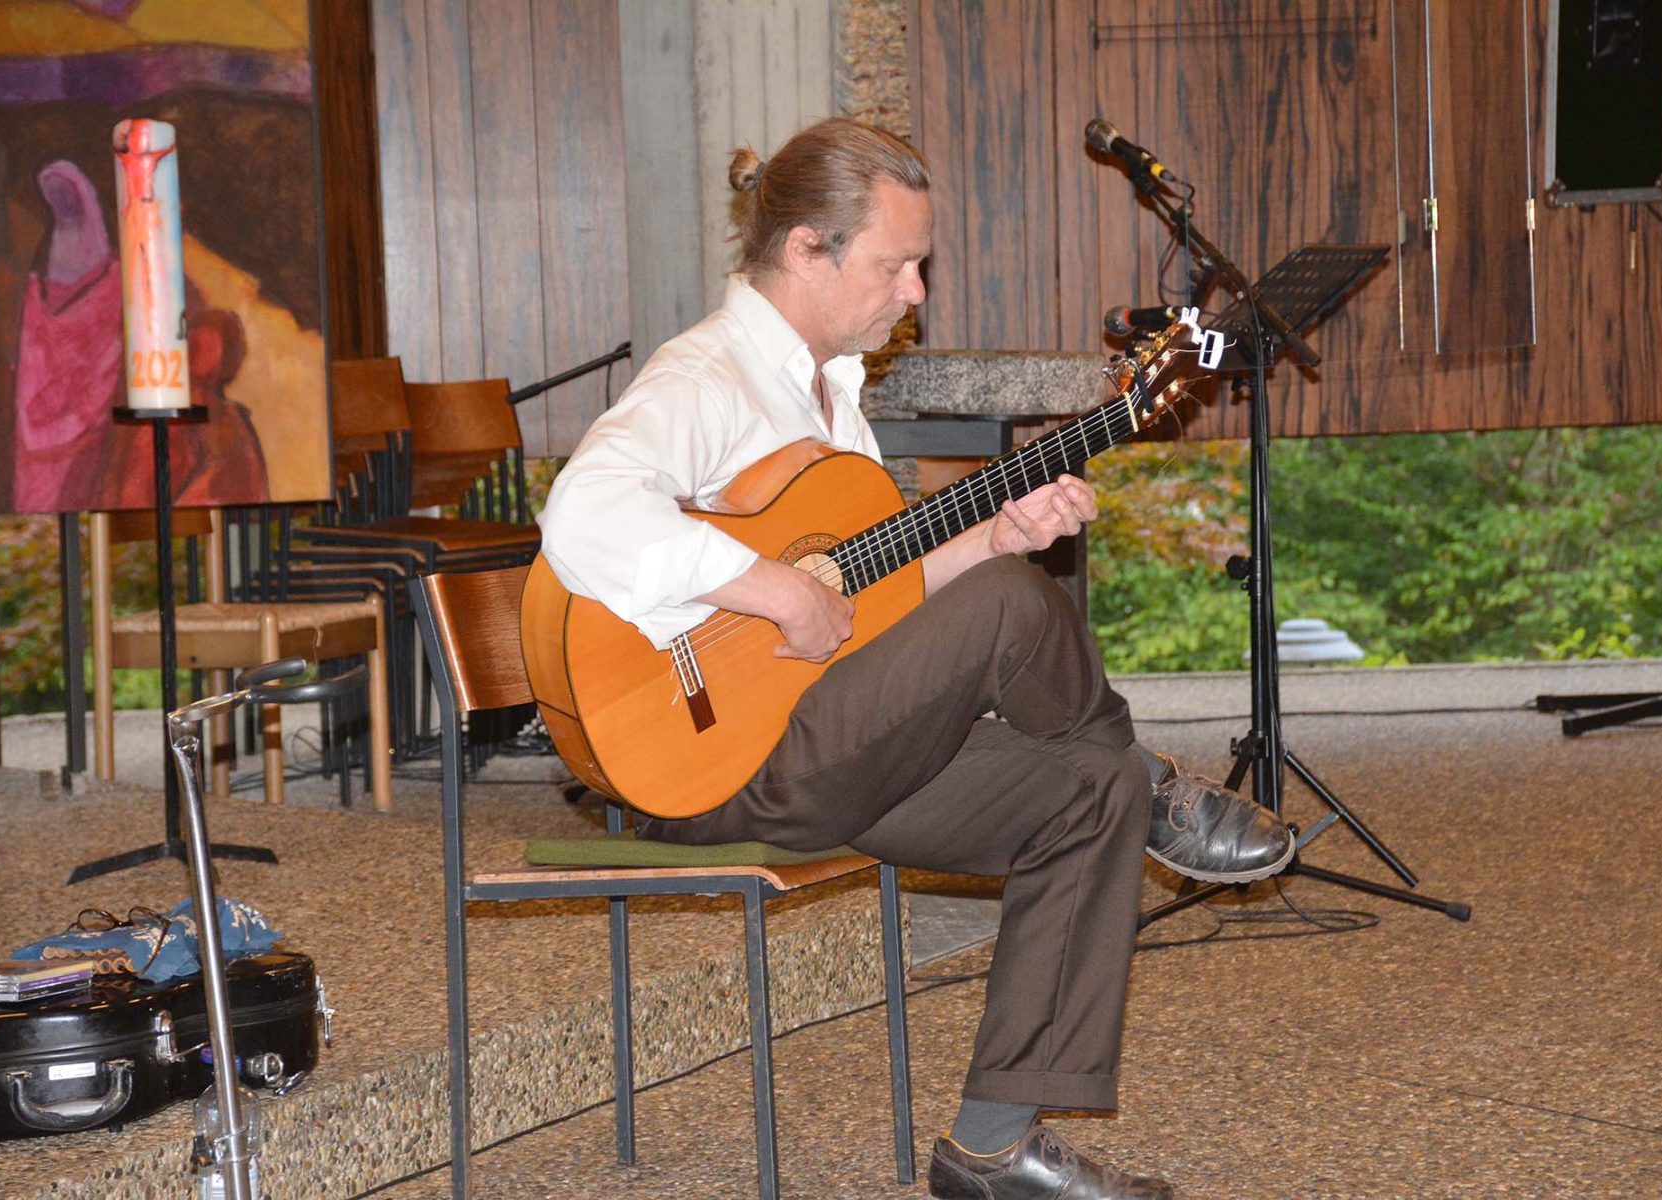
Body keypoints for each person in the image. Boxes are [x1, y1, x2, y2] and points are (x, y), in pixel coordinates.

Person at [538, 117, 1293, 1200]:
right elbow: (584, 513)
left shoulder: (831, 394)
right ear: (807, 250)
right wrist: (768, 588)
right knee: (1017, 610)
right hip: (718, 763)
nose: (916, 292)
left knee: (1089, 792)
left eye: (919, 266)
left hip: (832, 742)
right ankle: (1158, 779)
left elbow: (868, 603)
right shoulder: (705, 376)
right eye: (896, 265)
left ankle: (994, 1148)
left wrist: (992, 537)